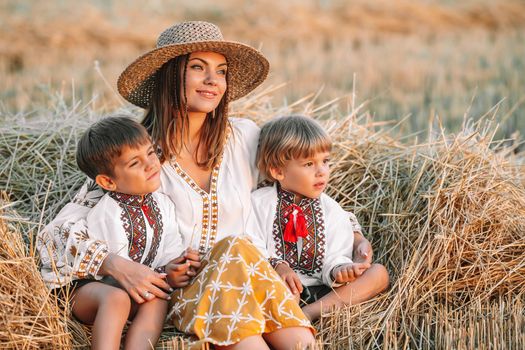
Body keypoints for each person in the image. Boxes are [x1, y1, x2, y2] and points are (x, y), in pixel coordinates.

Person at [38, 21, 315, 349]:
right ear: (170, 76)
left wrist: (350, 235)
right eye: (198, 68)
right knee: (236, 263)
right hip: (184, 292)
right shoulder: (139, 156)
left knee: (299, 341)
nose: (213, 80)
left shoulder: (245, 138)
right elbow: (57, 234)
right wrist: (119, 266)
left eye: (221, 71)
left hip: (247, 279)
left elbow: (303, 187)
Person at [38, 116, 190, 349]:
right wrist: (153, 277)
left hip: (128, 286)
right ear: (108, 182)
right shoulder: (107, 211)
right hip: (84, 290)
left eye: (151, 153)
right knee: (116, 298)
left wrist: (170, 269)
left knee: (158, 297)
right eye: (134, 163)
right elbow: (115, 274)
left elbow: (168, 247)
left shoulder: (163, 203)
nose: (151, 164)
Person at [247, 115, 389, 321]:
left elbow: (336, 250)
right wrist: (278, 265)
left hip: (324, 292)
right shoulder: (259, 203)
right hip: (281, 288)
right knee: (283, 291)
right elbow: (250, 242)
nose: (321, 171)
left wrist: (340, 269)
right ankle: (289, 315)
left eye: (325, 161)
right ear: (278, 170)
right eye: (309, 164)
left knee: (379, 274)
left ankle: (310, 312)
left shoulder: (331, 209)